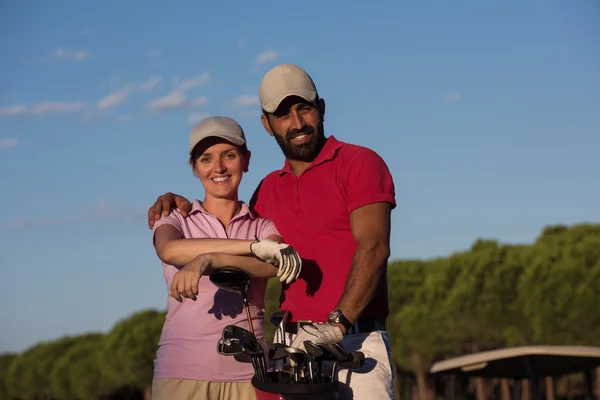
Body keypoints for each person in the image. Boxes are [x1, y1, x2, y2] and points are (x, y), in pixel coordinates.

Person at [148, 64, 396, 400]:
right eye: (282, 114)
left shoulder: (359, 162)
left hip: (353, 341)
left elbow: (375, 246)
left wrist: (336, 326)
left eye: (304, 108)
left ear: (321, 108)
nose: (296, 123)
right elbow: (246, 244)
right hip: (289, 350)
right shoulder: (265, 192)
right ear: (267, 125)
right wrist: (174, 201)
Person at [150, 115, 302, 400]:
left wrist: (210, 259)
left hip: (250, 377)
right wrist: (251, 247)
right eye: (206, 159)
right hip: (181, 376)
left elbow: (271, 265)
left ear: (246, 160)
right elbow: (169, 250)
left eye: (229, 156)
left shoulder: (263, 225)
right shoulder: (175, 218)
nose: (218, 168)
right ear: (194, 168)